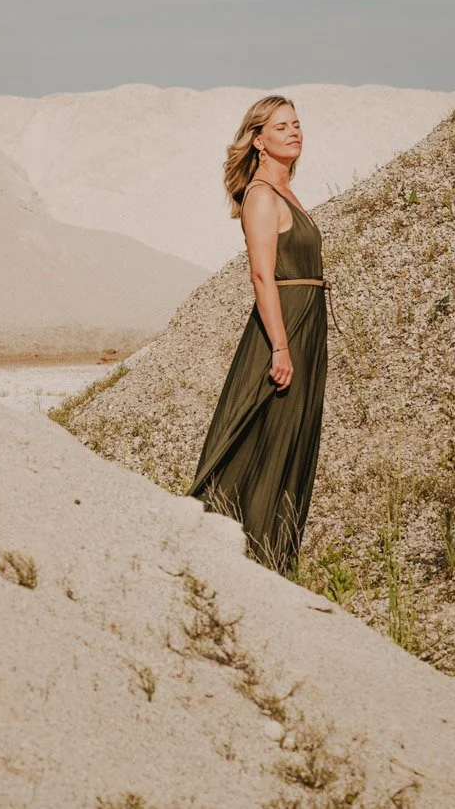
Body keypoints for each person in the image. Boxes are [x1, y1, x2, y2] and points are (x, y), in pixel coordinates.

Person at [190, 95, 328, 575]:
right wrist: (281, 346)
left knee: (293, 435)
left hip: (306, 324)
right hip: (284, 327)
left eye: (297, 123)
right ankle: (231, 546)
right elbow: (262, 276)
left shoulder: (286, 192)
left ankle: (275, 556)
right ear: (258, 139)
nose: (294, 132)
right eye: (281, 126)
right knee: (261, 432)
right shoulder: (262, 196)